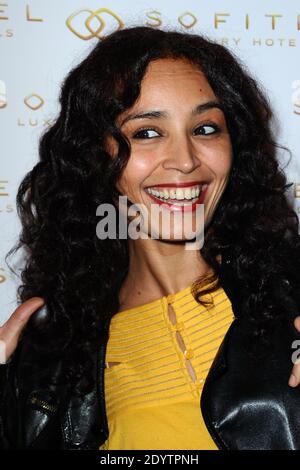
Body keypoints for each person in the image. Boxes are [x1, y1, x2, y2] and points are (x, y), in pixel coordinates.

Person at [1, 25, 300, 450]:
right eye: (146, 132)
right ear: (94, 154)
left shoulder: (291, 294)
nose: (184, 161)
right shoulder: (56, 366)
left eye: (206, 128)